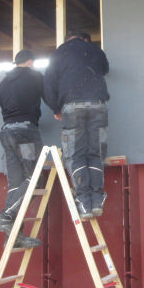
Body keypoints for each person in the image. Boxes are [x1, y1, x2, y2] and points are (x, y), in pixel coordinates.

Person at [44, 30, 110, 219]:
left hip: (72, 107)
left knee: (75, 154)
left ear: (67, 40)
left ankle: (83, 202)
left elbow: (48, 84)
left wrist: (56, 108)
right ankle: (97, 201)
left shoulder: (58, 54)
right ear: (83, 39)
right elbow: (105, 69)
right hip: (98, 105)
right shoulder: (95, 50)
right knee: (96, 153)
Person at [0, 49, 44, 249]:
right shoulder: (34, 76)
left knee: (16, 184)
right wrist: (58, 110)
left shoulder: (4, 82)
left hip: (7, 133)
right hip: (25, 133)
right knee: (35, 178)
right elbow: (49, 96)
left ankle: (13, 237)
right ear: (30, 62)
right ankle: (6, 216)